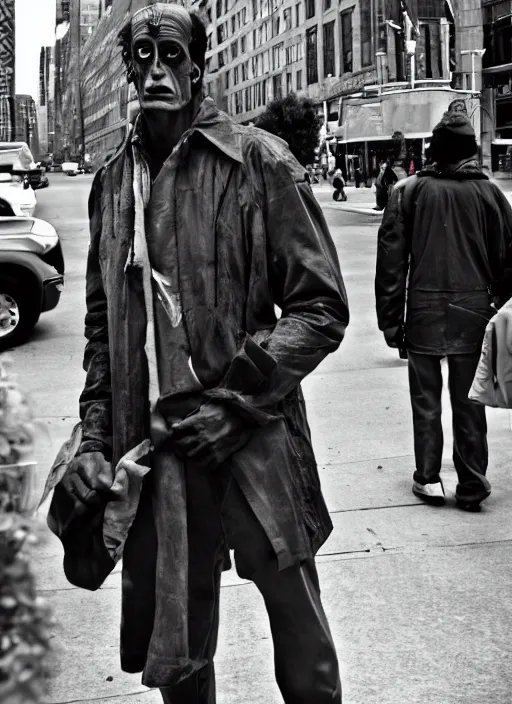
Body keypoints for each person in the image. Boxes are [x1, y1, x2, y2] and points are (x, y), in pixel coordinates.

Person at [54, 5, 348, 704]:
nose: (158, 70)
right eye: (144, 56)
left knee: (302, 639)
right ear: (129, 68)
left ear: (197, 65)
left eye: (172, 56)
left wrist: (236, 405)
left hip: (252, 442)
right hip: (156, 456)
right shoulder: (109, 188)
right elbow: (104, 333)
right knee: (178, 651)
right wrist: (96, 438)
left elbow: (320, 308)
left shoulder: (259, 162)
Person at [375, 111, 512, 512]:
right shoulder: (490, 195)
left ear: (433, 151)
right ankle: (472, 483)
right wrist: (499, 308)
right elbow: (507, 262)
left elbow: (392, 262)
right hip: (474, 311)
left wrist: (390, 320)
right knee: (470, 400)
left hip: (423, 310)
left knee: (426, 400)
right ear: (471, 151)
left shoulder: (408, 192)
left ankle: (429, 478)